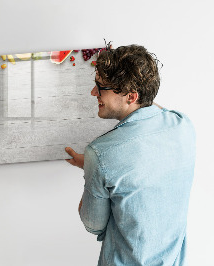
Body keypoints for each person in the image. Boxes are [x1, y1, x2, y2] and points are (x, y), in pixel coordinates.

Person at [65, 45, 195, 265]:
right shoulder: (183, 125)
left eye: (101, 87)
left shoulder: (100, 153)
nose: (93, 92)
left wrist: (93, 169)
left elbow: (93, 225)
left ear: (131, 96)